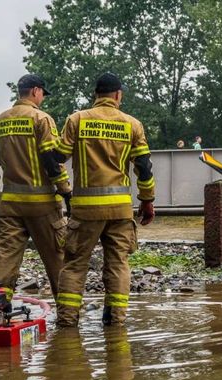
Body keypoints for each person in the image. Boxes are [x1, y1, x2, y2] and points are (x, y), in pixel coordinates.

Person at [55, 72, 155, 327]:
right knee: (118, 264)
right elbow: (143, 167)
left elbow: (57, 157)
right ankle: (116, 324)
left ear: (95, 96)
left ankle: (67, 325)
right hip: (120, 211)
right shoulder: (132, 124)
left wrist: (61, 188)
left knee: (75, 265)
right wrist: (147, 200)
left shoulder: (77, 120)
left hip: (86, 211)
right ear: (118, 95)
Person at [0, 73, 71, 305]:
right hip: (43, 206)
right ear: (35, 91)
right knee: (57, 261)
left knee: (6, 261)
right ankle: (68, 320)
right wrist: (66, 191)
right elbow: (51, 160)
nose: (42, 98)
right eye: (42, 93)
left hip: (10, 206)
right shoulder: (41, 119)